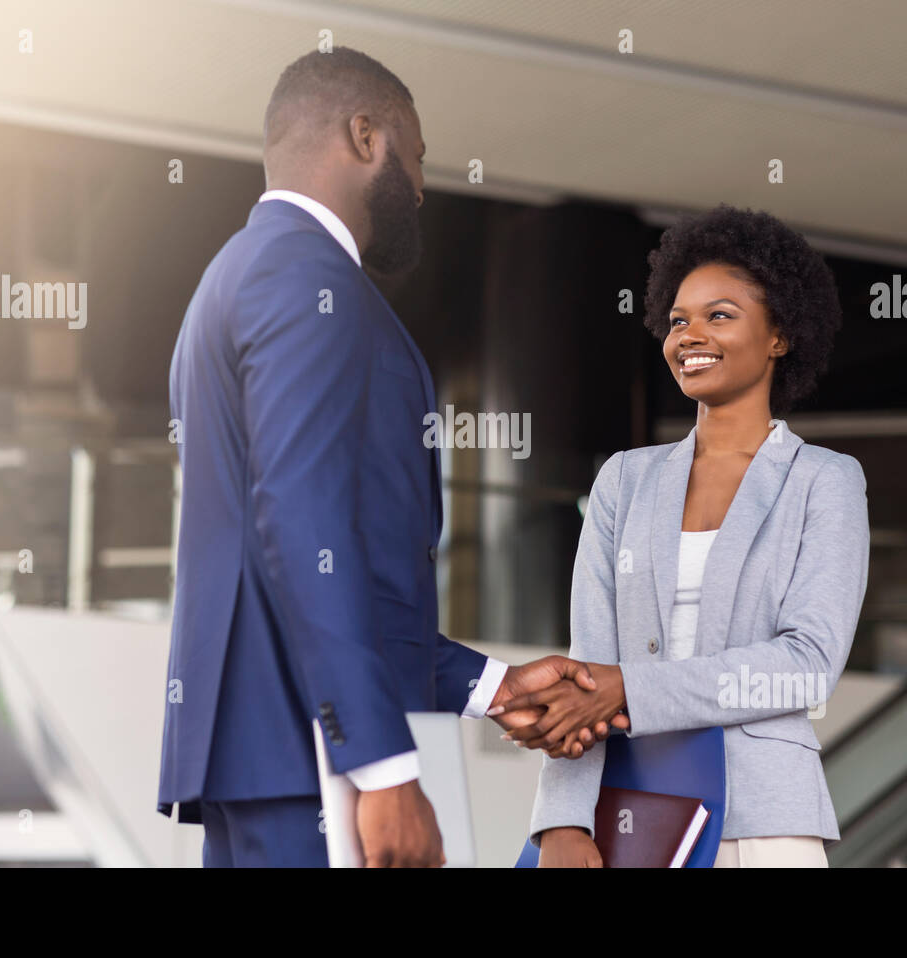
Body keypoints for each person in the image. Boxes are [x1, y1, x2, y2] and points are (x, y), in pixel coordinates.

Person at [155, 46, 623, 868]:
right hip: (315, 761)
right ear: (365, 135)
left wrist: (494, 688)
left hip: (269, 757)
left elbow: (300, 564)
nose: (417, 185)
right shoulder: (306, 277)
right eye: (415, 155)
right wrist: (380, 767)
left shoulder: (234, 275)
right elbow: (301, 528)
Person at [494, 205, 870, 867]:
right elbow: (591, 665)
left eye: (719, 315)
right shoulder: (625, 481)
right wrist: (560, 821)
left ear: (779, 334)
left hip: (764, 820)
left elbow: (807, 665)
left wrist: (632, 692)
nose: (689, 335)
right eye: (677, 320)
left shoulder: (824, 481)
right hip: (631, 811)